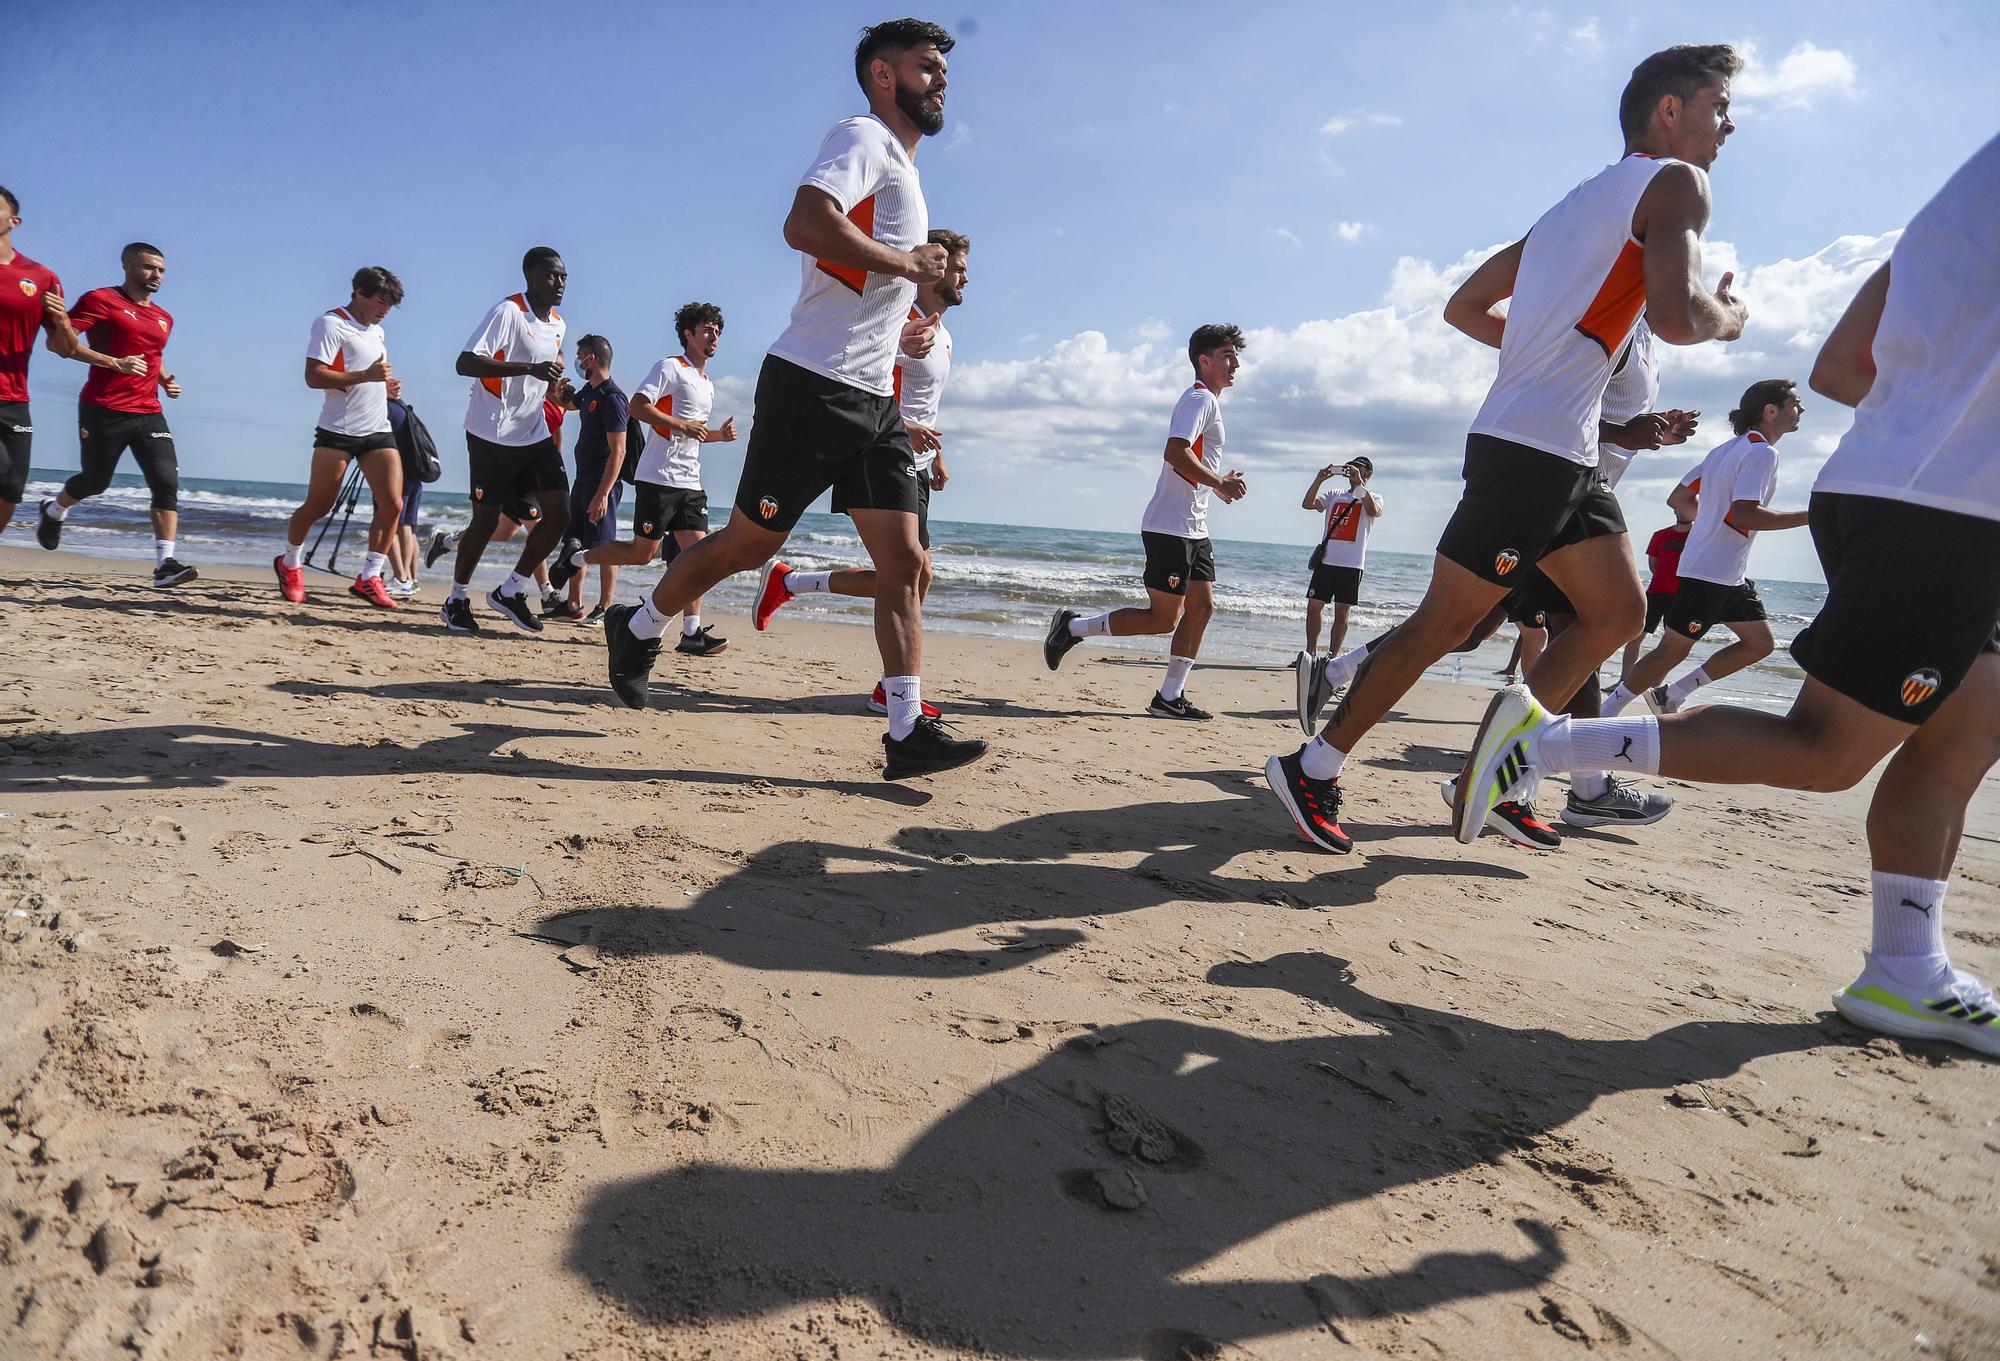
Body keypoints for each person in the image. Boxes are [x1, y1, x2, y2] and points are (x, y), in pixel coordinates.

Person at [1455, 133, 2000, 1055]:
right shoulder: (1673, 204)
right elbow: (1729, 473)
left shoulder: (1956, 196)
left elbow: (1839, 371)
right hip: (1944, 511)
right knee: (1826, 749)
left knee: (1969, 728)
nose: (1729, 128)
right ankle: (1546, 743)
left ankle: (1908, 968)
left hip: (1898, 489)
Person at [1264, 43, 1748, 854]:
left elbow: (1466, 306)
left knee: (1618, 611)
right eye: (1717, 108)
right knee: (1440, 628)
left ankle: (1494, 768)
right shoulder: (1677, 185)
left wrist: (1544, 361)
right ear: (1668, 111)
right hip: (1531, 451)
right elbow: (1675, 315)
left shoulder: (1571, 207)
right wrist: (1729, 318)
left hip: (1563, 450)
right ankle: (1312, 765)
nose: (1727, 126)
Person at [601, 19, 987, 782]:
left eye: (944, 69)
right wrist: (907, 262)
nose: (941, 80)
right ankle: (639, 625)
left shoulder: (905, 171)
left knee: (906, 560)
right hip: (811, 384)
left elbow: (863, 280)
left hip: (874, 402)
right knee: (747, 547)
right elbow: (806, 224)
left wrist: (905, 312)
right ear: (883, 74)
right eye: (926, 67)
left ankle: (906, 726)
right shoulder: (862, 137)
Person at [751, 229, 969, 716]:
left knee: (913, 577)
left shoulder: (943, 334)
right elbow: (873, 387)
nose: (964, 277)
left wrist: (936, 452)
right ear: (933, 270)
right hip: (880, 449)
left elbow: (924, 401)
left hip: (914, 459)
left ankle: (790, 583)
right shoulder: (899, 324)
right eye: (956, 267)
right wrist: (902, 428)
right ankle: (891, 692)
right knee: (911, 573)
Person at [1043, 324, 1248, 720]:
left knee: (1202, 608)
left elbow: (1193, 466)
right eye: (1227, 355)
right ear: (1203, 361)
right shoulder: (1197, 399)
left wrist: (1217, 488)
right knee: (1163, 620)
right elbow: (1175, 452)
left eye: (1236, 355)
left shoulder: (1210, 403)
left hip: (1195, 527)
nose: (1235, 363)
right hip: (1169, 526)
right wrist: (1219, 480)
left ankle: (1169, 697)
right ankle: (1072, 628)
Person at [1603, 378, 1808, 717]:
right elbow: (1746, 513)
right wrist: (1813, 516)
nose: (1801, 410)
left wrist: (1712, 518)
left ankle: (1672, 694)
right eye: (1796, 404)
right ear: (1771, 411)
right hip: (1710, 571)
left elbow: (1679, 499)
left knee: (1760, 644)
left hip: (1728, 573)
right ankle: (1606, 710)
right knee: (1671, 651)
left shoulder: (1725, 450)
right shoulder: (1761, 453)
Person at [551, 307, 737, 645]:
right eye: (707, 330)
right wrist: (682, 425)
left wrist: (717, 436)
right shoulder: (670, 367)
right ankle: (577, 557)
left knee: (700, 556)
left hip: (690, 482)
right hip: (658, 478)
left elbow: (690, 433)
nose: (714, 337)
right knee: (642, 553)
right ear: (688, 335)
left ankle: (692, 632)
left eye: (717, 331)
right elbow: (638, 406)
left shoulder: (707, 383)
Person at [34, 242, 198, 586]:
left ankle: (164, 564)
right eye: (148, 268)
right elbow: (60, 345)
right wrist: (113, 362)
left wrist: (166, 378)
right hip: (103, 407)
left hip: (149, 411)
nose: (156, 276)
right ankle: (54, 510)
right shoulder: (101, 300)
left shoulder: (164, 317)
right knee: (95, 481)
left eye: (162, 270)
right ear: (126, 266)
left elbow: (151, 354)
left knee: (166, 481)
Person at [0, 186, 145, 539]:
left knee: (10, 488)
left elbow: (63, 347)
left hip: (13, 398)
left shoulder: (41, 277)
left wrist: (67, 326)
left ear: (14, 221)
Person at [440, 247, 570, 634]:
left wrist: (559, 392)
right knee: (484, 523)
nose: (560, 283)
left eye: (564, 277)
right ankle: (456, 599)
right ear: (530, 278)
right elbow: (466, 362)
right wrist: (528, 368)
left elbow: (540, 383)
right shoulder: (508, 312)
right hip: (490, 433)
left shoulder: (559, 324)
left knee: (560, 514)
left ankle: (511, 590)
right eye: (551, 276)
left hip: (533, 433)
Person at [274, 267, 407, 608]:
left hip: (377, 429)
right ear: (359, 292)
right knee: (320, 504)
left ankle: (369, 576)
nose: (385, 309)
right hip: (338, 431)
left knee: (393, 504)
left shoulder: (377, 332)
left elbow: (365, 379)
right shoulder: (331, 324)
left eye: (390, 304)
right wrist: (367, 375)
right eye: (381, 301)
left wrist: (385, 388)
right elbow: (313, 376)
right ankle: (289, 562)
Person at [544, 334, 631, 622]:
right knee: (575, 542)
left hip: (601, 481)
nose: (577, 363)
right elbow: (567, 405)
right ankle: (573, 604)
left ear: (591, 359)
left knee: (604, 545)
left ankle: (606, 607)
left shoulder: (612, 397)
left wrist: (603, 493)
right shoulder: (589, 391)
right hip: (582, 479)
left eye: (580, 357)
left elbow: (619, 450)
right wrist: (556, 391)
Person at [1298, 456, 1380, 662]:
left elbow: (1373, 511)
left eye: (1358, 468)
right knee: (1314, 608)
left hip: (1351, 565)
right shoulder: (1335, 494)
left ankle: (1331, 659)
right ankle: (1311, 655)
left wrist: (1360, 484)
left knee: (1342, 613)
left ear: (1368, 473)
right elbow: (1307, 505)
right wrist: (1319, 480)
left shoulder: (1373, 497)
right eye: (1350, 468)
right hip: (1326, 563)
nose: (1352, 472)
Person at [1626, 510, 1693, 681]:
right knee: (1635, 637)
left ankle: (1656, 683)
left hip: (1682, 597)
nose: (1681, 513)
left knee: (1671, 644)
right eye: (1679, 510)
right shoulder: (1661, 535)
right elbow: (1654, 565)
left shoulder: (1698, 538)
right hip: (1656, 593)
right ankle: (1624, 681)